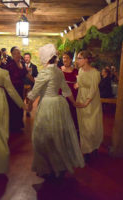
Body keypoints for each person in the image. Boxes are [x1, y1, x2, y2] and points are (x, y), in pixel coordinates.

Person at [27, 44, 84, 179]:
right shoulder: (58, 71)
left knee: (44, 138)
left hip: (47, 104)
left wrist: (28, 104)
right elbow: (65, 90)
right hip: (59, 105)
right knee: (59, 136)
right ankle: (59, 166)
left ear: (45, 58)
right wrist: (74, 103)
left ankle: (49, 168)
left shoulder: (45, 72)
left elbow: (35, 91)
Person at [75, 50, 103, 161]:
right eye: (77, 58)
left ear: (86, 60)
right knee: (83, 126)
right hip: (80, 97)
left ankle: (94, 147)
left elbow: (93, 89)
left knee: (92, 126)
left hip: (92, 102)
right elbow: (80, 82)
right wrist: (78, 85)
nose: (77, 61)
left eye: (79, 58)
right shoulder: (80, 71)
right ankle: (86, 150)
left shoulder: (95, 73)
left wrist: (86, 102)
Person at [5, 46, 33, 132]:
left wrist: (35, 81)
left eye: (19, 53)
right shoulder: (9, 64)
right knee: (12, 107)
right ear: (12, 54)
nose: (18, 55)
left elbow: (27, 74)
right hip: (12, 90)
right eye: (16, 53)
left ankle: (18, 125)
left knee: (20, 106)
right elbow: (5, 77)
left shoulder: (21, 63)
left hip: (20, 88)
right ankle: (12, 126)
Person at [60, 51, 79, 130]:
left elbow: (80, 81)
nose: (65, 60)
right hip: (61, 93)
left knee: (71, 111)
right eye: (64, 58)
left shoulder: (75, 71)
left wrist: (78, 84)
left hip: (72, 92)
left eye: (67, 58)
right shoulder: (59, 69)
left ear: (71, 59)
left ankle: (72, 129)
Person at [23, 52, 38, 117]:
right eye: (25, 57)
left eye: (28, 57)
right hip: (22, 85)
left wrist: (31, 71)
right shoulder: (21, 65)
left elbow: (36, 75)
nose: (26, 59)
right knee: (21, 98)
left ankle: (28, 111)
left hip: (30, 85)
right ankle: (20, 111)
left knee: (28, 99)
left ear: (30, 58)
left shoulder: (34, 66)